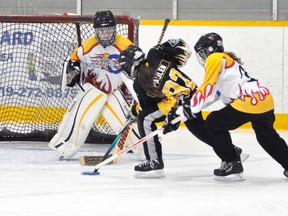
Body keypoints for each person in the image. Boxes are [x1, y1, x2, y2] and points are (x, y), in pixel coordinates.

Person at [118, 39, 248, 178]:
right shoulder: (154, 54)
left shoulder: (139, 84)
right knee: (201, 130)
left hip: (177, 104)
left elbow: (149, 108)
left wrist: (136, 111)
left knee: (144, 119)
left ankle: (154, 161)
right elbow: (182, 50)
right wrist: (162, 49)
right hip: (193, 96)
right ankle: (232, 152)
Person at [173, 32, 288, 181]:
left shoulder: (214, 58)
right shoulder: (227, 64)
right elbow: (213, 94)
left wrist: (189, 109)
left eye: (202, 53)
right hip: (265, 99)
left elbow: (207, 87)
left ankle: (232, 163)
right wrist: (185, 111)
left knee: (214, 123)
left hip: (249, 101)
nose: (201, 57)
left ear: (209, 50)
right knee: (267, 136)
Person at [48, 10, 145, 161]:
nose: (106, 35)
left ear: (115, 29)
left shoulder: (125, 45)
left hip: (113, 91)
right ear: (96, 31)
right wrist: (73, 71)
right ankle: (63, 146)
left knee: (125, 122)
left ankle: (144, 149)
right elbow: (73, 60)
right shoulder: (88, 46)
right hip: (92, 90)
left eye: (109, 30)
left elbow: (138, 68)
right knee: (79, 119)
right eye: (102, 31)